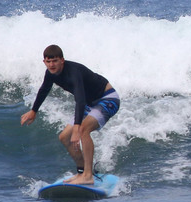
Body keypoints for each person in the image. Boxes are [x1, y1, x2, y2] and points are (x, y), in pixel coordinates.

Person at [20, 45, 120, 185]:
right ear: (44, 62)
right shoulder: (50, 73)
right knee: (64, 137)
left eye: (55, 61)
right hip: (90, 103)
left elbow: (80, 99)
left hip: (107, 99)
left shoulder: (73, 72)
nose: (51, 65)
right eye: (48, 62)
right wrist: (33, 111)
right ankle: (82, 171)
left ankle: (88, 176)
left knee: (83, 130)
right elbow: (44, 90)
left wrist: (77, 127)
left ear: (62, 60)